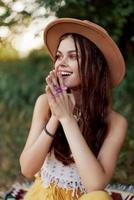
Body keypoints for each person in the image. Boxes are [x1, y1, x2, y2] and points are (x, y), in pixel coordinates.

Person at [20, 18, 128, 200]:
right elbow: (27, 169)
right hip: (44, 196)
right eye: (59, 56)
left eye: (73, 56)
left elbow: (96, 185)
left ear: (94, 66)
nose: (61, 63)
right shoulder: (44, 103)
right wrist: (56, 115)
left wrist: (67, 119)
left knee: (100, 198)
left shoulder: (115, 122)